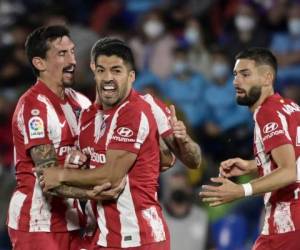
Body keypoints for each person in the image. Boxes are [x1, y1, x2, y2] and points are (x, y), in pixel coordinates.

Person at [41, 37, 202, 249]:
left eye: (116, 71)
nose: (108, 78)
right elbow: (97, 174)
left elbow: (192, 161)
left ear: (131, 76)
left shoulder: (138, 110)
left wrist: (60, 175)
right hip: (104, 234)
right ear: (94, 71)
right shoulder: (87, 118)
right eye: (101, 70)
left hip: (138, 236)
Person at [6, 25, 118, 250]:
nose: (73, 60)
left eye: (73, 52)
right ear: (40, 63)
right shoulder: (32, 108)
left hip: (75, 221)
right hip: (37, 224)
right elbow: (49, 178)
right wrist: (96, 192)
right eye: (62, 54)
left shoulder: (82, 103)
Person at [200, 47, 300, 250]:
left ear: (267, 78)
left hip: (288, 219)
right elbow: (295, 158)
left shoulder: (267, 113)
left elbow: (289, 171)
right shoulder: (290, 107)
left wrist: (241, 190)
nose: (236, 81)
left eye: (245, 74)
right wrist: (253, 165)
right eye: (235, 74)